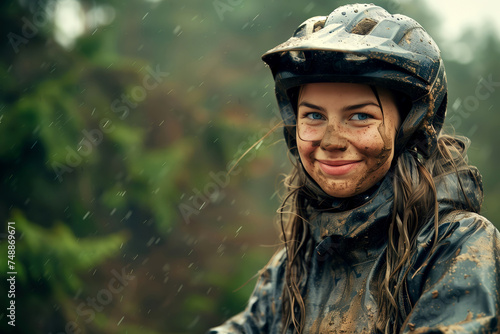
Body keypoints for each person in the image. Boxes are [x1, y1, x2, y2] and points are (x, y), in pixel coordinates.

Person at [208, 3, 500, 333]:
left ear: (407, 127)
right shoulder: (296, 264)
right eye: (314, 116)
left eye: (360, 116)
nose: (331, 141)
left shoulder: (454, 245)